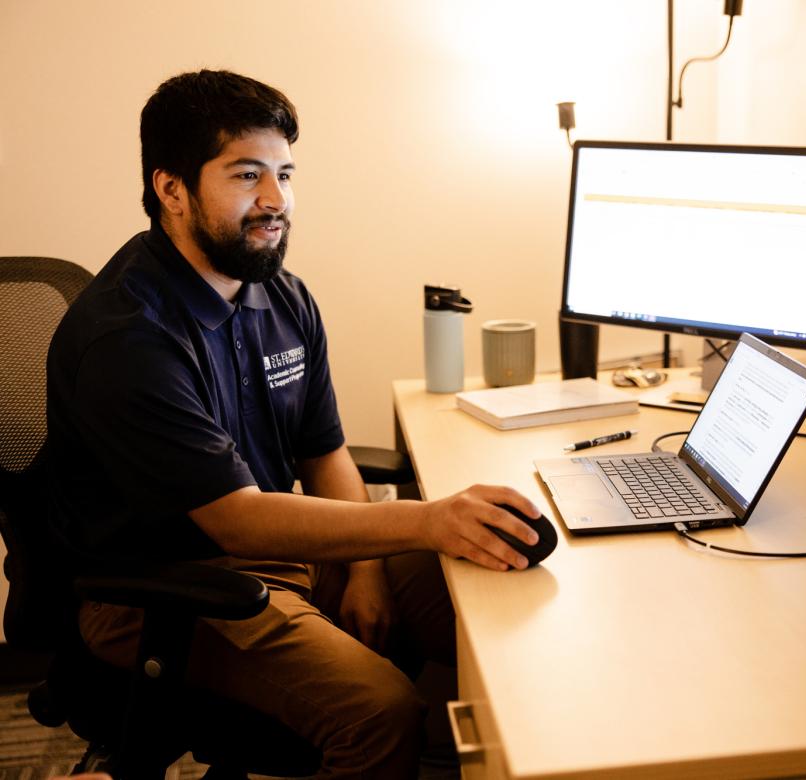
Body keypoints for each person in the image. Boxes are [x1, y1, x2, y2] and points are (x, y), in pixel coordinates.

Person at [45, 69, 542, 778]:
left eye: (284, 173)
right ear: (172, 189)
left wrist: (366, 568)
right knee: (381, 713)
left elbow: (325, 452)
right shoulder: (127, 336)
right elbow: (237, 523)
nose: (276, 201)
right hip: (161, 590)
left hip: (285, 552)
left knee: (495, 595)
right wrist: (426, 520)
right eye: (248, 176)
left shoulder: (281, 294)